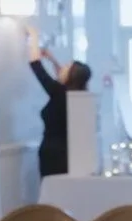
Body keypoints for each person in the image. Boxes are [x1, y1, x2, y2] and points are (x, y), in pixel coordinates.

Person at [32, 46, 92, 178]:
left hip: (54, 154)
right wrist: (52, 59)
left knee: (53, 191)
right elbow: (62, 76)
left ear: (70, 76)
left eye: (66, 66)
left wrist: (33, 36)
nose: (62, 67)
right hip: (69, 154)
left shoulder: (59, 93)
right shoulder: (77, 97)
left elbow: (36, 67)